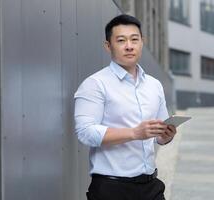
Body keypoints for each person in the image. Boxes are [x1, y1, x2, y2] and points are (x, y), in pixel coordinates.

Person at [74, 14, 177, 200]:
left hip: (151, 187)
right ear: (108, 46)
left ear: (142, 42)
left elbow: (158, 136)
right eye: (121, 40)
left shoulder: (154, 85)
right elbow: (85, 132)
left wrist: (165, 136)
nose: (129, 46)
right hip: (112, 189)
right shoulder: (95, 84)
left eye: (134, 39)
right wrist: (135, 133)